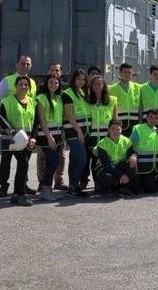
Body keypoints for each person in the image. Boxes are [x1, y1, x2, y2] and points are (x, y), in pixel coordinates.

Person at [0, 76, 38, 206]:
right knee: (23, 163)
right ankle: (21, 195)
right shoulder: (7, 101)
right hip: (12, 139)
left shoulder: (33, 102)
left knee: (23, 166)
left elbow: (36, 122)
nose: (23, 87)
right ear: (16, 86)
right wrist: (10, 130)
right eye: (20, 84)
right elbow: (0, 117)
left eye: (26, 85)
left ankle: (16, 194)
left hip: (28, 140)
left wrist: (33, 137)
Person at [84, 76, 118, 190]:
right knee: (94, 159)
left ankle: (109, 181)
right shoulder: (87, 100)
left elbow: (115, 120)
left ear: (104, 86)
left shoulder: (112, 100)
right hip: (92, 136)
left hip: (106, 136)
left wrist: (114, 135)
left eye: (99, 84)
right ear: (91, 87)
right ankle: (97, 183)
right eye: (94, 84)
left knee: (107, 158)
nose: (97, 87)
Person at [34, 74, 63, 201]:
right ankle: (45, 189)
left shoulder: (59, 98)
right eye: (51, 82)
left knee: (53, 161)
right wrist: (49, 136)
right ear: (46, 84)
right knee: (54, 160)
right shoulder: (41, 98)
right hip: (46, 136)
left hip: (58, 136)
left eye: (56, 83)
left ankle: (47, 189)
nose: (53, 85)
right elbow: (41, 120)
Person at [92, 119, 138, 198]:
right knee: (108, 177)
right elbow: (106, 164)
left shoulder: (126, 140)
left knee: (132, 162)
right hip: (105, 167)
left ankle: (123, 188)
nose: (115, 131)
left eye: (118, 129)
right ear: (109, 129)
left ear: (121, 130)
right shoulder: (102, 143)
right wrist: (121, 175)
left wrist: (134, 156)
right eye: (113, 128)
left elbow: (132, 152)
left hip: (119, 165)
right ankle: (107, 188)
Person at [62, 69, 89, 197]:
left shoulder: (82, 92)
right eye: (79, 79)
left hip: (83, 130)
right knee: (82, 158)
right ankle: (74, 185)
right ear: (74, 79)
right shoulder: (68, 93)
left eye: (83, 79)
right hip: (73, 131)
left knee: (74, 159)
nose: (81, 82)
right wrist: (78, 131)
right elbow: (69, 115)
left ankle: (72, 187)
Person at [130, 110, 158, 193]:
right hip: (139, 165)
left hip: (151, 167)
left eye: (156, 118)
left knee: (150, 189)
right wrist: (132, 157)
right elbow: (131, 145)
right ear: (146, 118)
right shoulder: (138, 128)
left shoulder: (156, 130)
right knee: (135, 189)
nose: (153, 120)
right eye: (151, 117)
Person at [108, 63, 141, 137]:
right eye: (125, 72)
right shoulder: (112, 89)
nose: (127, 74)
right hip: (119, 126)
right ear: (120, 73)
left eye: (129, 72)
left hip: (135, 124)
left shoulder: (138, 88)